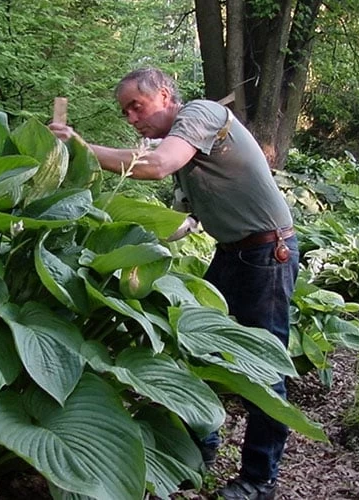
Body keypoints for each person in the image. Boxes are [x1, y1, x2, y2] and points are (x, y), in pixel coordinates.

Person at [49, 67, 299, 500]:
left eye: (136, 106)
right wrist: (129, 238)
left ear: (164, 95)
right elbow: (183, 223)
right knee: (194, 348)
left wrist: (82, 148)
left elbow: (157, 166)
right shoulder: (189, 153)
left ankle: (260, 480)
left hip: (267, 255)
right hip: (233, 254)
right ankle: (197, 454)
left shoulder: (201, 114)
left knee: (263, 369)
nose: (131, 118)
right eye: (125, 111)